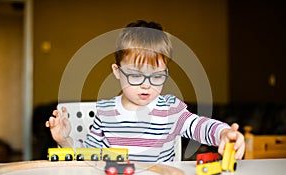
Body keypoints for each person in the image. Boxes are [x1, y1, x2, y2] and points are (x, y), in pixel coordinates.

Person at [46, 20, 245, 162]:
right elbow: (88, 156)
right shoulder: (105, 111)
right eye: (135, 75)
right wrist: (65, 140)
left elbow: (200, 126)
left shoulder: (170, 109)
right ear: (117, 72)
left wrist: (224, 133)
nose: (146, 84)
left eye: (157, 76)